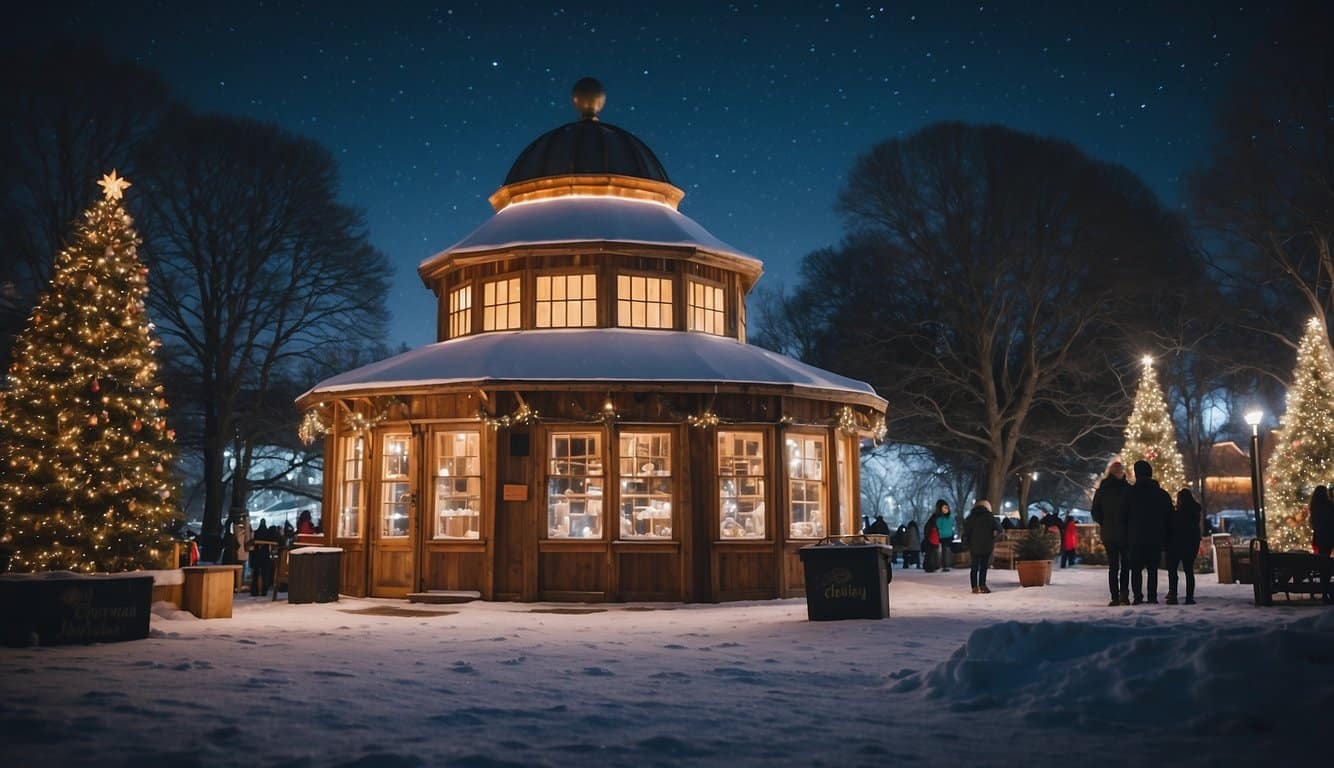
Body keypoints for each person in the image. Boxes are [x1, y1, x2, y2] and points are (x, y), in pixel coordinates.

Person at [1122, 460, 1172, 605]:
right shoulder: (1161, 494)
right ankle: (1152, 596)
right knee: (1152, 569)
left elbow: (1122, 516)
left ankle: (1137, 596)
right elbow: (1168, 516)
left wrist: (1124, 537)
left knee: (1136, 570)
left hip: (1135, 537)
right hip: (1155, 537)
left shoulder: (1130, 493)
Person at [1091, 460, 1131, 606]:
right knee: (1125, 565)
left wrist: (1104, 522)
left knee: (1113, 566)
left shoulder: (1102, 490)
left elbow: (1095, 511)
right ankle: (1123, 594)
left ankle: (1115, 596)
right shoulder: (1127, 490)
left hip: (1108, 533)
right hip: (1124, 533)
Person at [1165, 488, 1202, 605]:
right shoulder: (1194, 514)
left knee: (1172, 571)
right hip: (1190, 545)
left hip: (1175, 545)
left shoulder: (1176, 514)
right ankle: (1189, 597)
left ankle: (1173, 594)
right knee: (1189, 571)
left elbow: (1170, 529)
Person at [963, 500, 1002, 594]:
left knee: (974, 567)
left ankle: (974, 587)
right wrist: (994, 538)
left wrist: (967, 544)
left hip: (974, 546)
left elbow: (966, 532)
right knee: (984, 566)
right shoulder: (990, 517)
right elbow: (1000, 529)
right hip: (987, 545)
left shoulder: (970, 518)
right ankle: (982, 585)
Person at [1309, 486, 1334, 604]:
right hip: (1329, 538)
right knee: (1327, 564)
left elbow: (1313, 524)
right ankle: (1327, 591)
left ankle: (1325, 591)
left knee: (1323, 563)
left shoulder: (1314, 508)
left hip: (1319, 539)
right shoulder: (1329, 506)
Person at [925, 500, 955, 572]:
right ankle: (942, 565)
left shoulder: (936, 517)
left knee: (937, 551)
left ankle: (936, 565)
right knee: (943, 551)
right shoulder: (948, 517)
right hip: (945, 536)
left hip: (938, 537)